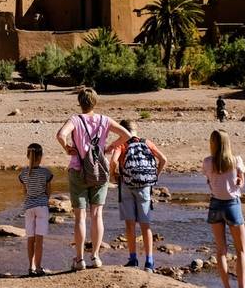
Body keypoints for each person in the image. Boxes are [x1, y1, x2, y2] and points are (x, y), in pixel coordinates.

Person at [56, 89, 132, 271]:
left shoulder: (75, 120)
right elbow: (127, 136)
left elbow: (60, 135)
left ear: (80, 102)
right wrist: (110, 147)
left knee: (79, 216)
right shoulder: (105, 120)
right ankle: (96, 257)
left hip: (78, 169)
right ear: (95, 102)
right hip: (100, 169)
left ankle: (80, 259)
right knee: (97, 214)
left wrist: (67, 148)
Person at [112, 118, 167, 271]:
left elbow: (113, 162)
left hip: (126, 185)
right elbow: (163, 159)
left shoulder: (122, 144)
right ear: (136, 129)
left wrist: (113, 175)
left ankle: (133, 258)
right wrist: (155, 176)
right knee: (145, 225)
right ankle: (149, 261)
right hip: (144, 186)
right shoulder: (147, 143)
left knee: (130, 224)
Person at [203, 129, 245, 288]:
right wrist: (237, 181)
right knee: (241, 250)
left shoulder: (208, 162)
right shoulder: (236, 160)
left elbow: (209, 180)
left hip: (215, 204)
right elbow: (241, 182)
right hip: (232, 205)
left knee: (221, 250)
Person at [17, 143, 53, 276]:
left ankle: (30, 267)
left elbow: (24, 191)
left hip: (29, 207)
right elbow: (48, 191)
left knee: (30, 239)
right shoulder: (46, 173)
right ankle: (38, 267)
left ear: (27, 155)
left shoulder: (23, 173)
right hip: (42, 207)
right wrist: (44, 200)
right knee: (39, 240)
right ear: (41, 156)